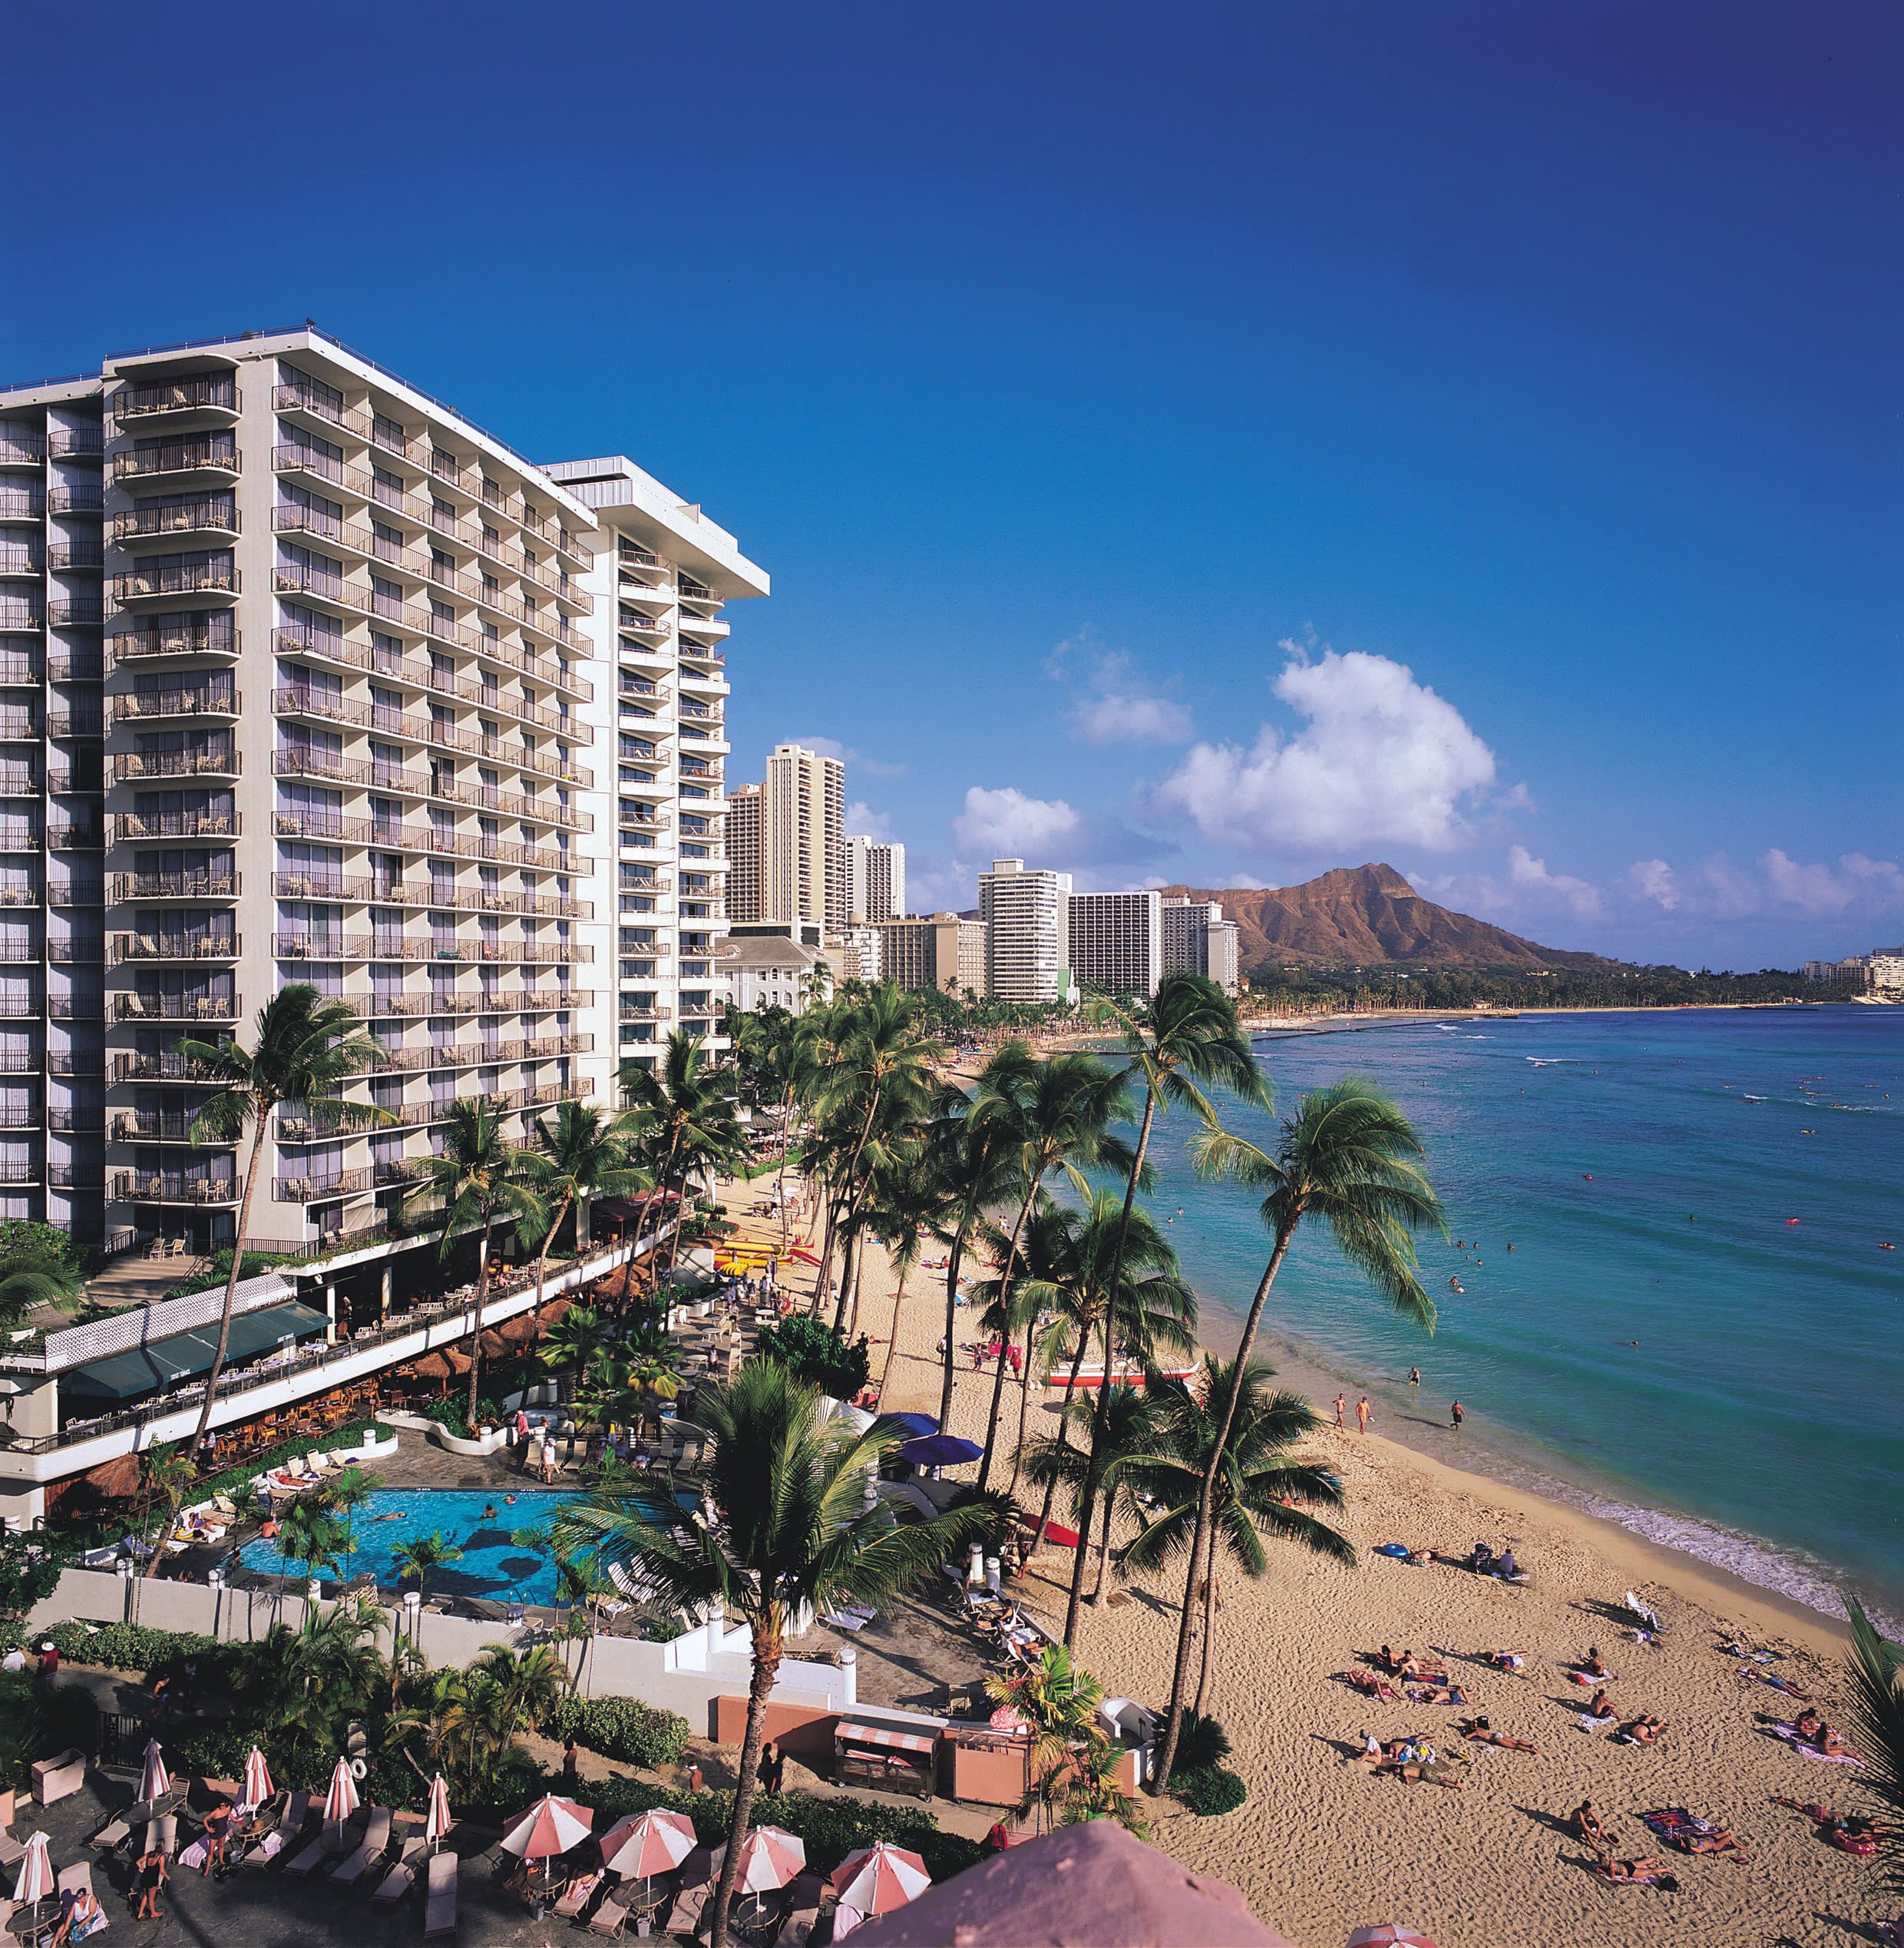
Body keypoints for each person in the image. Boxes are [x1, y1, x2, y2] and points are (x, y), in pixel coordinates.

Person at [135, 1843, 169, 1920]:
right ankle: (153, 1913)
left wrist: (142, 1869)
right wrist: (168, 1877)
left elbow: (138, 1862)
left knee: (146, 1895)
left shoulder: (149, 1854)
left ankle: (140, 1914)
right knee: (151, 1898)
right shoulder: (161, 1857)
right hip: (152, 1879)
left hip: (145, 1877)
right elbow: (162, 1871)